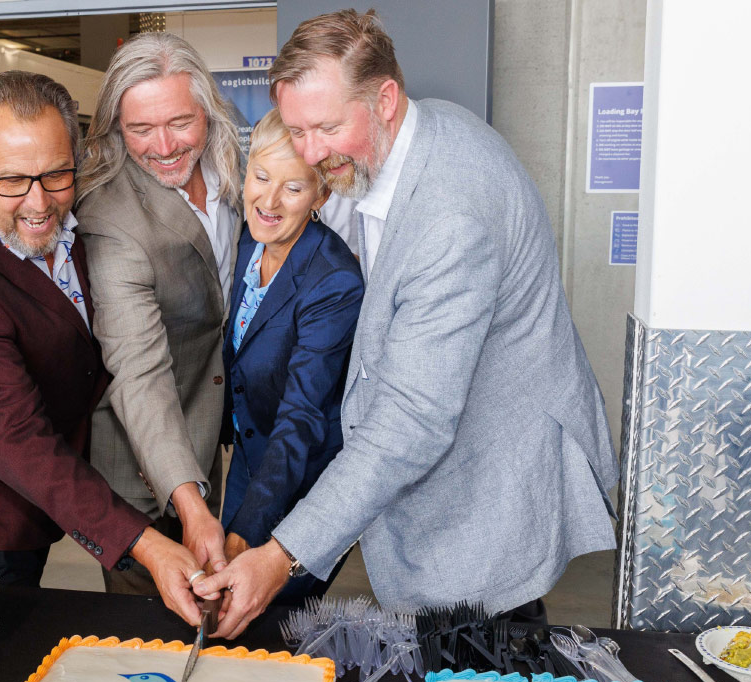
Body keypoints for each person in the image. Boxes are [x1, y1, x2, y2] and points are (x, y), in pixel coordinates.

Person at [195, 10, 619, 637]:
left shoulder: (451, 217)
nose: (310, 154)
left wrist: (281, 558)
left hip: (488, 498)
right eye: (297, 131)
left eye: (326, 128)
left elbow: (413, 419)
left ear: (385, 99)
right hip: (457, 469)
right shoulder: (426, 128)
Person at [0, 71, 205, 626]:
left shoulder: (69, 211)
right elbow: (12, 439)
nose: (38, 204)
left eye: (57, 175)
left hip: (66, 456)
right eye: (12, 180)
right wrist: (147, 544)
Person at [75, 33, 243, 593]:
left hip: (207, 426)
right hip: (138, 471)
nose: (164, 146)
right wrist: (191, 508)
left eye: (179, 123)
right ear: (116, 127)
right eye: (140, 129)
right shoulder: (111, 222)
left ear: (210, 113)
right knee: (144, 637)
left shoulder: (234, 170)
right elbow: (139, 374)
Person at [221, 108, 363, 602]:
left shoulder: (334, 280)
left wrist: (249, 529)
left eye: (294, 188)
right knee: (227, 606)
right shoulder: (245, 241)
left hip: (305, 472)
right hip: (249, 451)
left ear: (321, 195)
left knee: (272, 613)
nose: (270, 200)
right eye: (261, 177)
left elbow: (302, 416)